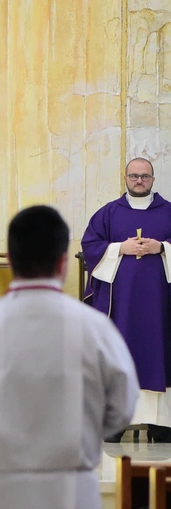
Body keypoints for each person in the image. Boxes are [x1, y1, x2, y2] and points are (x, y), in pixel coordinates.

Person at [0, 205, 139, 509]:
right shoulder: (97, 331)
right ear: (63, 263)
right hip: (70, 489)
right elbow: (122, 409)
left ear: (12, 260)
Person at [82, 157, 171, 442]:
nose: (139, 181)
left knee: (159, 352)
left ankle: (162, 425)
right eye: (134, 176)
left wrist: (163, 248)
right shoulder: (109, 213)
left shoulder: (168, 212)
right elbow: (90, 246)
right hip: (121, 304)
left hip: (161, 306)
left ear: (153, 180)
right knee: (121, 352)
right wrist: (121, 247)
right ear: (125, 178)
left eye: (145, 176)